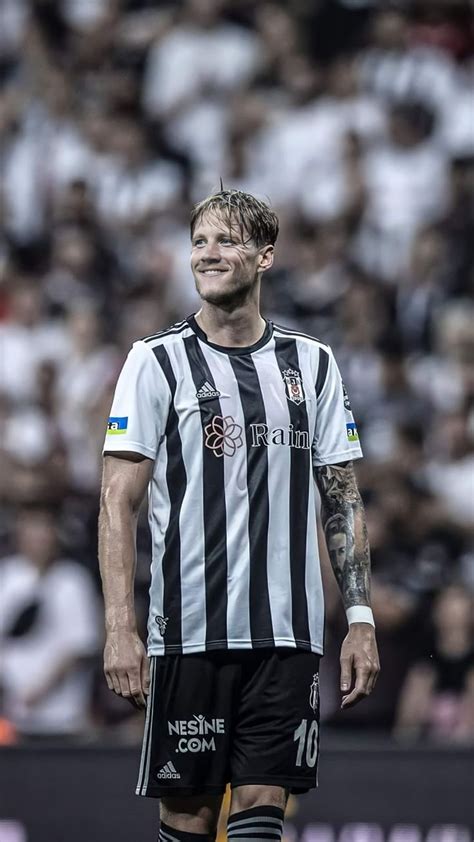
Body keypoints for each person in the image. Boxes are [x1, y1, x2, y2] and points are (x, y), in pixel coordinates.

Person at [98, 189, 379, 841]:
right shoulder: (155, 360)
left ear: (265, 256)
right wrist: (119, 627)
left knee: (262, 803)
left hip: (287, 634)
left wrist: (360, 619)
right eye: (199, 242)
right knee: (190, 815)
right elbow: (116, 501)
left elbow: (342, 496)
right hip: (189, 630)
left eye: (226, 240)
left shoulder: (312, 363)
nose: (208, 253)